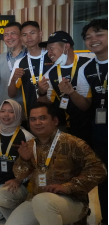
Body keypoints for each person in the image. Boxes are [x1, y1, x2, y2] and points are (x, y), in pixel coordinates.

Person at [0, 102, 106, 225]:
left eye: (42, 118)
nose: (37, 123)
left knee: (43, 201)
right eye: (33, 119)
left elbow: (99, 170)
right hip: (36, 198)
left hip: (71, 200)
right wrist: (24, 160)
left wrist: (68, 186)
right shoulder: (30, 145)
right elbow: (19, 174)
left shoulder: (73, 143)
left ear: (55, 121)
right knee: (2, 196)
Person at [0, 100, 34, 223]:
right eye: (3, 111)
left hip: (19, 183)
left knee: (2, 199)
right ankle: (18, 210)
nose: (6, 115)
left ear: (18, 114)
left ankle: (21, 212)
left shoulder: (27, 136)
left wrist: (19, 180)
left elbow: (33, 166)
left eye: (11, 112)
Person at [37, 31, 91, 140]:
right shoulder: (50, 74)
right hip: (68, 128)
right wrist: (41, 92)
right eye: (47, 50)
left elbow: (85, 106)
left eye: (52, 48)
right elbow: (47, 103)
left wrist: (71, 92)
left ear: (66, 46)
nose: (49, 53)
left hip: (92, 126)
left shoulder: (87, 65)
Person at [80, 19, 108, 225]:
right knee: (103, 177)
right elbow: (85, 104)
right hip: (100, 131)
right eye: (88, 37)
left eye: (99, 34)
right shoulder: (86, 68)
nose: (93, 40)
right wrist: (70, 92)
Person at [8, 21, 53, 117]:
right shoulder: (19, 62)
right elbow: (11, 94)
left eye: (32, 33)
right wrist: (13, 80)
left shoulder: (52, 57)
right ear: (21, 38)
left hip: (54, 112)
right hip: (32, 114)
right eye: (24, 34)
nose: (28, 37)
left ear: (40, 34)